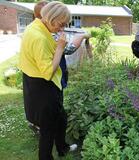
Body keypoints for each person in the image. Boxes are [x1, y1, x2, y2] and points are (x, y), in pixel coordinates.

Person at [18, 1, 76, 159]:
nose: (62, 28)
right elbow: (48, 72)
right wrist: (59, 48)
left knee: (61, 117)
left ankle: (62, 148)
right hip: (43, 87)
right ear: (52, 18)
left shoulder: (35, 25)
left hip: (36, 83)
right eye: (61, 24)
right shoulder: (39, 38)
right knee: (48, 129)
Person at [27, 0, 91, 134]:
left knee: (54, 112)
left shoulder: (35, 28)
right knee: (54, 111)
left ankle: (50, 131)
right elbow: (67, 50)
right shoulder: (43, 36)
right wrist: (81, 36)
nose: (62, 28)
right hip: (51, 78)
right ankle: (49, 130)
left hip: (44, 78)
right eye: (61, 23)